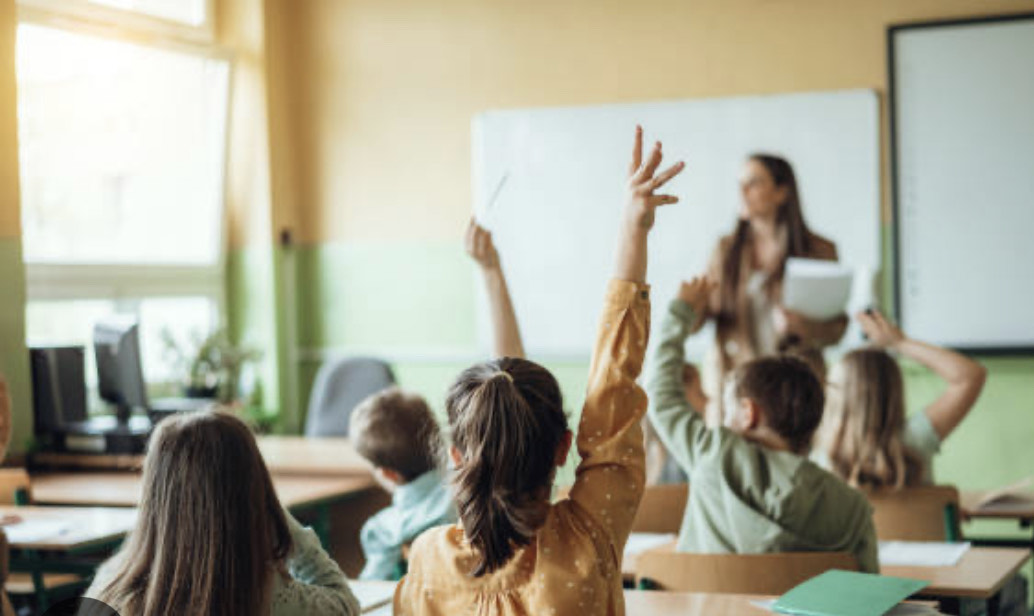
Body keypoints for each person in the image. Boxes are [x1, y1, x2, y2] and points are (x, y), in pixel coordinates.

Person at [394, 126, 683, 614]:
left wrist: (490, 272)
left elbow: (509, 399)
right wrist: (633, 227)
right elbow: (613, 385)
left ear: (456, 456)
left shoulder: (427, 561)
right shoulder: (588, 539)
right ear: (564, 447)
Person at [648, 277, 878, 572]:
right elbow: (870, 597)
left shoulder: (713, 454)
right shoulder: (852, 508)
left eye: (729, 409)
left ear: (748, 414)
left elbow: (661, 392)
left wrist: (680, 312)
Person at [86, 411, 360, 616]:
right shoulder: (268, 597)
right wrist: (277, 516)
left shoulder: (110, 590)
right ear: (254, 496)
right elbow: (344, 602)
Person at [700, 155, 846, 419]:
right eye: (740, 183)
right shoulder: (725, 250)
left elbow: (837, 328)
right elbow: (704, 312)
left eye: (754, 183)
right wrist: (689, 306)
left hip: (794, 385)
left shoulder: (818, 250)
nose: (742, 192)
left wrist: (805, 327)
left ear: (782, 193)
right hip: (736, 383)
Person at [814, 309, 987, 489]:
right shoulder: (915, 438)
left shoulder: (822, 459)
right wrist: (900, 342)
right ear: (895, 391)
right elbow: (970, 376)